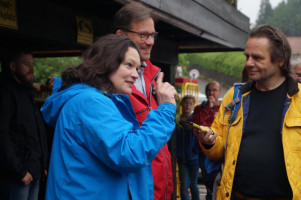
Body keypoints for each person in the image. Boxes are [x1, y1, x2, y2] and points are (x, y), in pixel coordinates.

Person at [40, 34, 178, 200]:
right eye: (128, 65)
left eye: (137, 68)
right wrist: (165, 110)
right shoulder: (90, 103)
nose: (135, 75)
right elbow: (129, 152)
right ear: (106, 63)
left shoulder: (92, 100)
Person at [195, 25, 300, 200]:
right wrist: (209, 143)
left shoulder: (299, 99)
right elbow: (220, 149)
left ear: (280, 59)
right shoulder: (234, 97)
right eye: (247, 56)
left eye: (257, 58)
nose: (248, 63)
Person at [112, 3, 173, 200]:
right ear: (121, 35)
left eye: (153, 35)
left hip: (160, 190)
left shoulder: (153, 76)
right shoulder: (111, 84)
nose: (150, 42)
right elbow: (125, 152)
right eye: (143, 35)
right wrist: (165, 110)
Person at [0, 49, 48, 200]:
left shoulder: (27, 93)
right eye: (26, 64)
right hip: (18, 174)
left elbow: (35, 132)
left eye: (32, 64)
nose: (32, 69)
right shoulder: (5, 93)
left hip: (34, 171)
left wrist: (42, 166)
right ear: (13, 66)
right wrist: (19, 171)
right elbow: (2, 135)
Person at [191, 81, 222, 200]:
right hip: (204, 151)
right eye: (209, 90)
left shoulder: (225, 108)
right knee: (208, 179)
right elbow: (197, 126)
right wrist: (208, 107)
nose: (211, 92)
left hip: (220, 150)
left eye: (214, 90)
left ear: (219, 92)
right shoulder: (199, 109)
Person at [175, 95, 200, 200]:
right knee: (184, 185)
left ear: (193, 106)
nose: (188, 105)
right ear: (181, 104)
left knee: (193, 184)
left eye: (190, 103)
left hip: (194, 158)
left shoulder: (194, 120)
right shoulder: (177, 120)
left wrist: (195, 152)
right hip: (181, 158)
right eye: (186, 102)